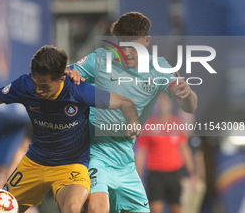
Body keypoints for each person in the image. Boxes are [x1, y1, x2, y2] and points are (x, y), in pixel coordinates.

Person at [0, 46, 141, 213]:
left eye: (45, 86)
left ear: (61, 78)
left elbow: (125, 103)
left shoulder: (79, 91)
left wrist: (132, 123)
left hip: (71, 166)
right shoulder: (24, 85)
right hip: (34, 164)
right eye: (35, 83)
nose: (38, 90)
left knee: (72, 207)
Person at [68, 11, 198, 213]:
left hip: (125, 163)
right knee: (97, 208)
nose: (127, 52)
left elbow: (189, 106)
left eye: (134, 46)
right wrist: (70, 73)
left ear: (147, 41)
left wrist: (188, 95)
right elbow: (65, 73)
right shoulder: (101, 59)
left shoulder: (160, 68)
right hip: (95, 154)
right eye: (122, 45)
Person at [135, 92, 197, 213]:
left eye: (164, 103)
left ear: (170, 105)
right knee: (156, 209)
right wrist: (138, 176)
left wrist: (192, 172)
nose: (162, 106)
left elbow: (185, 150)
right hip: (155, 175)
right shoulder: (148, 125)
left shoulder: (177, 123)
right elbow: (141, 153)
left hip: (174, 173)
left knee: (177, 208)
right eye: (159, 103)